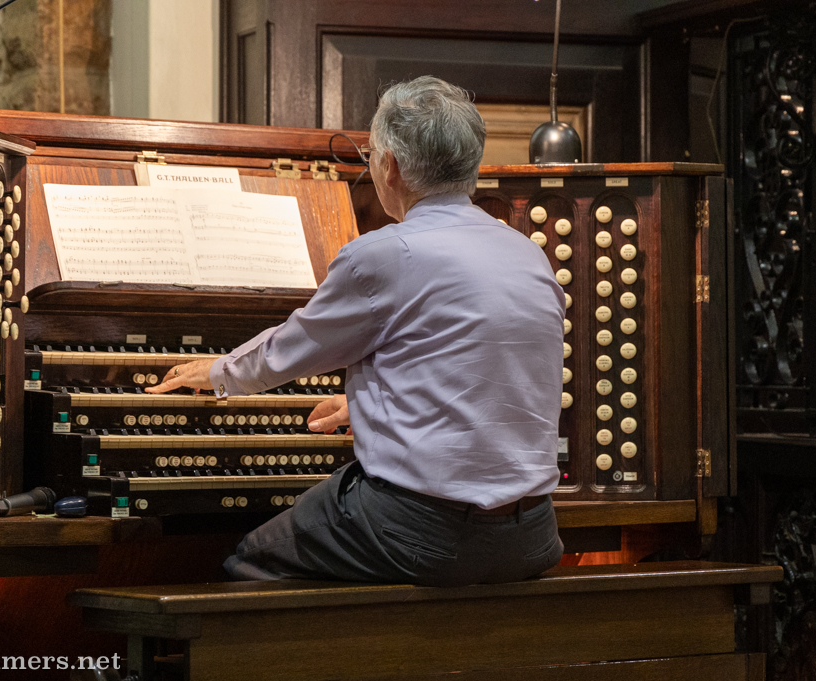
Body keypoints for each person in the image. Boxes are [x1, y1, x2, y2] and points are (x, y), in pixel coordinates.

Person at [147, 76, 565, 587]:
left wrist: (216, 372)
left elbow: (289, 351)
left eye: (370, 155)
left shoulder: (387, 254)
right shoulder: (527, 253)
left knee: (252, 561)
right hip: (534, 534)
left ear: (389, 166)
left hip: (424, 534)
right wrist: (373, 402)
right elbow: (488, 365)